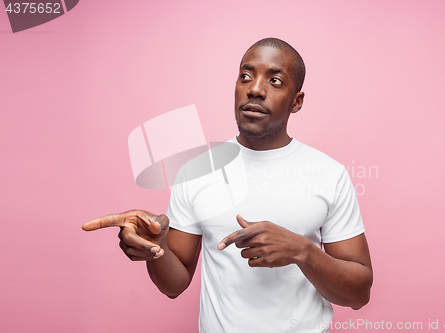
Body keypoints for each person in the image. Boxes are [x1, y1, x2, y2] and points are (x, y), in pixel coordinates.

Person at [82, 38, 373, 333]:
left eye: (274, 80)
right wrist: (156, 247)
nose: (255, 89)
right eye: (245, 76)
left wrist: (301, 251)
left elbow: (359, 295)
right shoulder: (196, 172)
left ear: (296, 101)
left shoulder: (328, 174)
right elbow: (174, 284)